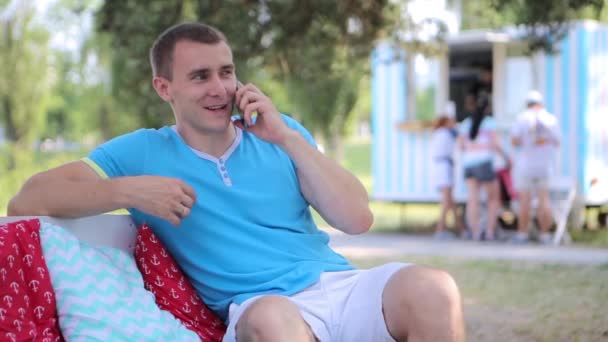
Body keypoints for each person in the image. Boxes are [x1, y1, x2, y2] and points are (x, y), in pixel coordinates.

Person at [8, 22, 465, 341]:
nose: (219, 88)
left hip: (338, 286)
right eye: (200, 76)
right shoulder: (141, 152)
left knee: (431, 287)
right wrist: (127, 190)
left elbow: (357, 218)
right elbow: (26, 198)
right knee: (272, 318)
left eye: (226, 72)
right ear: (164, 88)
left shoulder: (279, 133)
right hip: (259, 308)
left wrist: (284, 136)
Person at [511, 90, 560, 244]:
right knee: (544, 200)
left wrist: (528, 141)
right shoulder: (550, 119)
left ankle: (522, 233)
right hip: (544, 165)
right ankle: (545, 234)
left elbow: (514, 141)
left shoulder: (522, 118)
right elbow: (558, 142)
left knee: (524, 200)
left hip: (526, 165)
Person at [457, 94, 506, 241]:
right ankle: (490, 232)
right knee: (494, 198)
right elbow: (496, 145)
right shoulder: (490, 123)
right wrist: (506, 158)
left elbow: (461, 146)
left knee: (473, 199)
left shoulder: (465, 124)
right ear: (488, 107)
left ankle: (475, 232)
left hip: (469, 164)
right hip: (484, 163)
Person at [430, 101, 462, 240]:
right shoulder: (445, 133)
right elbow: (459, 135)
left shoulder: (439, 133)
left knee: (449, 200)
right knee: (446, 200)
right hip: (444, 167)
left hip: (441, 167)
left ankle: (461, 228)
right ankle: (440, 229)